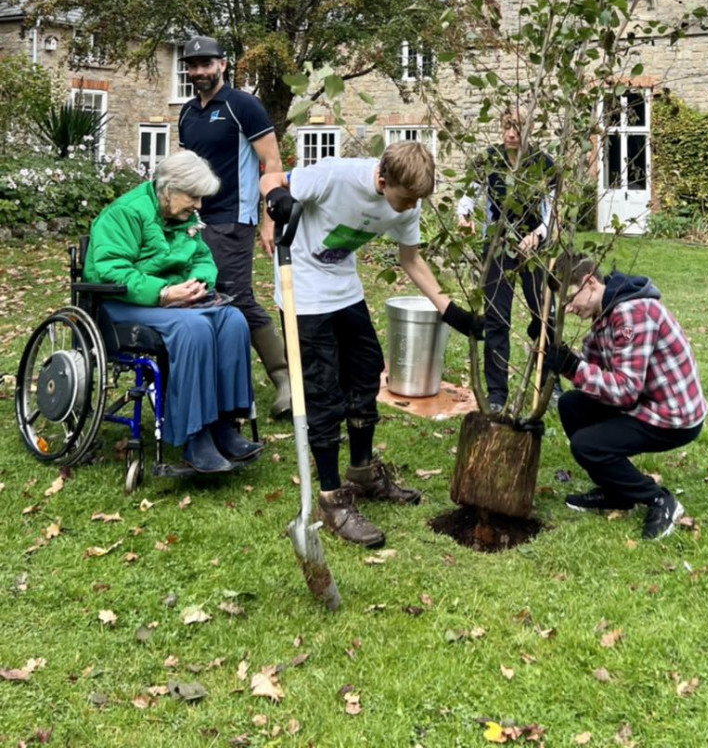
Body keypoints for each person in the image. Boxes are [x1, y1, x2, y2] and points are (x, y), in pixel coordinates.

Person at [265, 141, 484, 547]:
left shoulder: (410, 200)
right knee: (322, 391)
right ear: (382, 179)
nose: (409, 208)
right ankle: (331, 499)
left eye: (417, 200)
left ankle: (362, 472)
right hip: (304, 287)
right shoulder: (335, 175)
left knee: (367, 369)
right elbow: (273, 177)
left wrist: (450, 310)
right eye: (405, 199)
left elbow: (410, 259)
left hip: (343, 286)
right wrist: (276, 197)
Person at [83, 151, 263, 473]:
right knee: (193, 330)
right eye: (193, 197)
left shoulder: (185, 218)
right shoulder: (126, 213)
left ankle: (223, 425)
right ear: (168, 189)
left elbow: (203, 259)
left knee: (233, 320)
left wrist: (198, 283)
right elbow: (110, 270)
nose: (199, 206)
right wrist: (163, 292)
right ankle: (194, 437)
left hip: (178, 303)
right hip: (125, 305)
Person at [543, 254, 707, 541]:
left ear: (590, 282)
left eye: (570, 299)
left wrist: (573, 367)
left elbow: (624, 389)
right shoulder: (605, 312)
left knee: (587, 446)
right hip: (645, 402)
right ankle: (617, 493)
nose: (568, 309)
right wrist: (556, 353)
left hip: (673, 416)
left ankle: (659, 500)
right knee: (571, 405)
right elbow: (595, 370)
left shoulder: (632, 313)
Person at [177, 35, 291, 419]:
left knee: (237, 296)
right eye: (192, 66)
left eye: (206, 64)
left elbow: (272, 165)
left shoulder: (244, 106)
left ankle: (286, 379)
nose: (198, 73)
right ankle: (217, 379)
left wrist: (268, 222)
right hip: (193, 221)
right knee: (200, 295)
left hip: (233, 219)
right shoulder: (187, 114)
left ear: (223, 65)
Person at [457, 109, 556, 413]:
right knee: (497, 320)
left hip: (532, 249)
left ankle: (553, 385)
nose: (510, 134)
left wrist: (538, 235)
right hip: (498, 248)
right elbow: (467, 194)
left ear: (529, 130)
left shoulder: (543, 163)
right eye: (506, 127)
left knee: (545, 317)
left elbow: (553, 209)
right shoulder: (489, 159)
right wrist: (464, 215)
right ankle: (497, 394)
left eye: (517, 128)